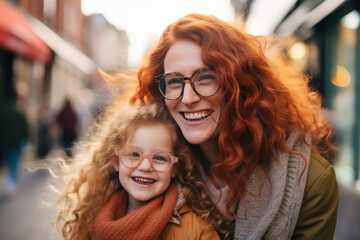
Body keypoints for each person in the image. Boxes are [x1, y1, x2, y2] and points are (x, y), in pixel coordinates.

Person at [129, 14, 339, 239]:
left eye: (206, 77)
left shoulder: (310, 183)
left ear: (241, 84)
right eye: (173, 81)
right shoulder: (143, 163)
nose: (188, 98)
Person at [55, 103, 221, 239]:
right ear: (115, 161)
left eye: (160, 158)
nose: (145, 166)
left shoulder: (197, 232)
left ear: (175, 168)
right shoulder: (93, 214)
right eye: (134, 154)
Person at [0, 100, 28, 196]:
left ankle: (10, 180)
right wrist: (26, 139)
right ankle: (12, 181)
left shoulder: (3, 112)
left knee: (9, 160)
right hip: (17, 141)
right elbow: (25, 127)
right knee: (14, 161)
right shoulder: (19, 112)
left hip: (6, 141)